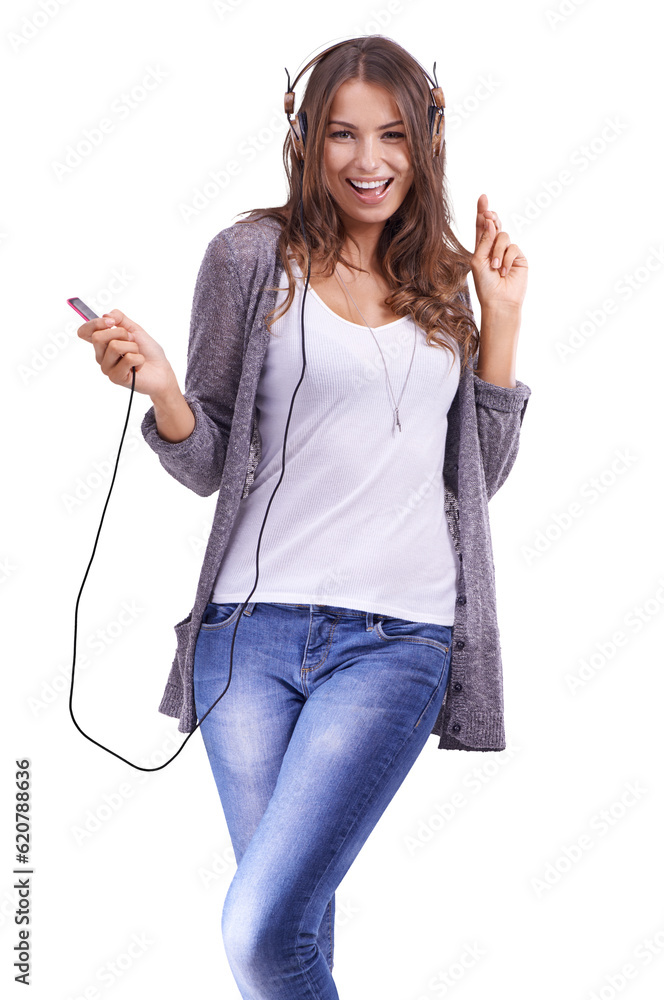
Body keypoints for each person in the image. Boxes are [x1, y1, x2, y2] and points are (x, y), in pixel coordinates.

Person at [77, 34, 531, 1000]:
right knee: (292, 934)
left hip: (396, 639)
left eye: (393, 136)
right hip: (247, 637)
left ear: (428, 139)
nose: (369, 162)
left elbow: (477, 482)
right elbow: (208, 463)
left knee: (258, 928)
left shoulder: (449, 279)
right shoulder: (248, 258)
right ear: (303, 136)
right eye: (342, 135)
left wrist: (504, 322)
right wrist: (162, 389)